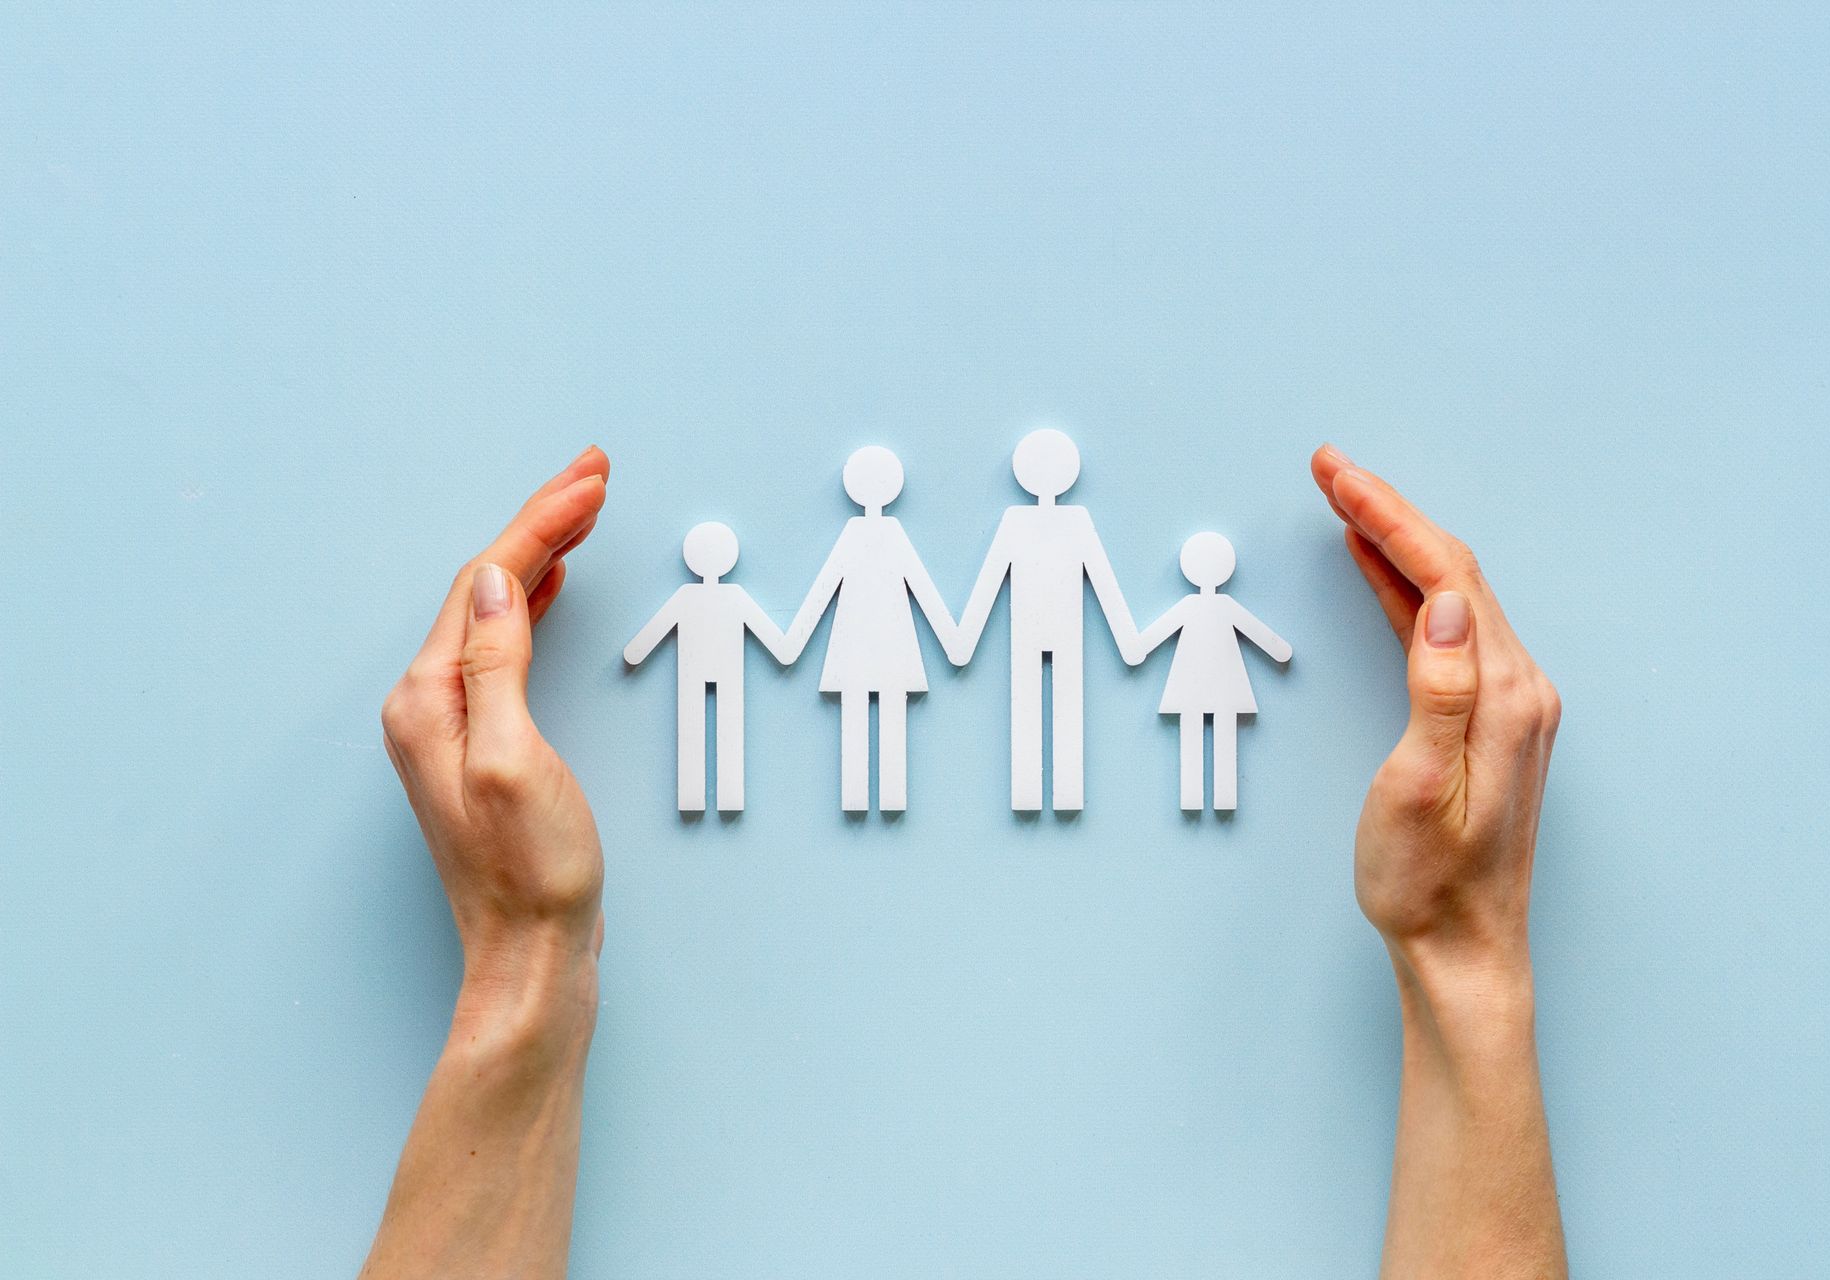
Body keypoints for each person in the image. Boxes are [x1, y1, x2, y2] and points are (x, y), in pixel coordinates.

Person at [363, 442, 1567, 1279]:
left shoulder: (1039, 537)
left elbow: (1021, 597)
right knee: (913, 733)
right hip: (887, 660)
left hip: (921, 662)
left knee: (1004, 732)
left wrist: (527, 950)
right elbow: (965, 597)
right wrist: (1460, 944)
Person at [951, 428, 1137, 812]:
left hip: (1047, 630)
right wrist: (1128, 642)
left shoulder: (1044, 522)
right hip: (1039, 629)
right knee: (1047, 705)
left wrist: (963, 641)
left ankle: (1047, 792)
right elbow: (993, 578)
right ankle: (1043, 793)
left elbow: (1100, 578)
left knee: (1042, 706)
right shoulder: (1040, 522)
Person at [784, 445, 961, 812]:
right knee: (880, 712)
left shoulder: (867, 535)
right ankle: (877, 797)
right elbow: (919, 588)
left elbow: (824, 591)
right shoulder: (881, 535)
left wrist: (792, 642)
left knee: (863, 713)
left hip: (863, 648)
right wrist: (953, 640)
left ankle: (866, 797)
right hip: (885, 648)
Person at [621, 520, 790, 812]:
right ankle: (727, 798)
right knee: (728, 732)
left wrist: (635, 652)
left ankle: (696, 797)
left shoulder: (688, 597)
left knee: (694, 731)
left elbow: (638, 648)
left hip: (695, 674)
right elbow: (778, 645)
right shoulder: (734, 597)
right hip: (725, 674)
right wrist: (791, 645)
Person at [1127, 531, 1292, 812]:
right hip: (1222, 686)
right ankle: (1215, 798)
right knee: (1218, 734)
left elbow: (1146, 642)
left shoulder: (1192, 606)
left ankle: (1197, 798)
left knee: (1195, 734)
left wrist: (1135, 647)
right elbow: (1272, 644)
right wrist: (1280, 651)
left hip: (1193, 686)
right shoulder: (1222, 606)